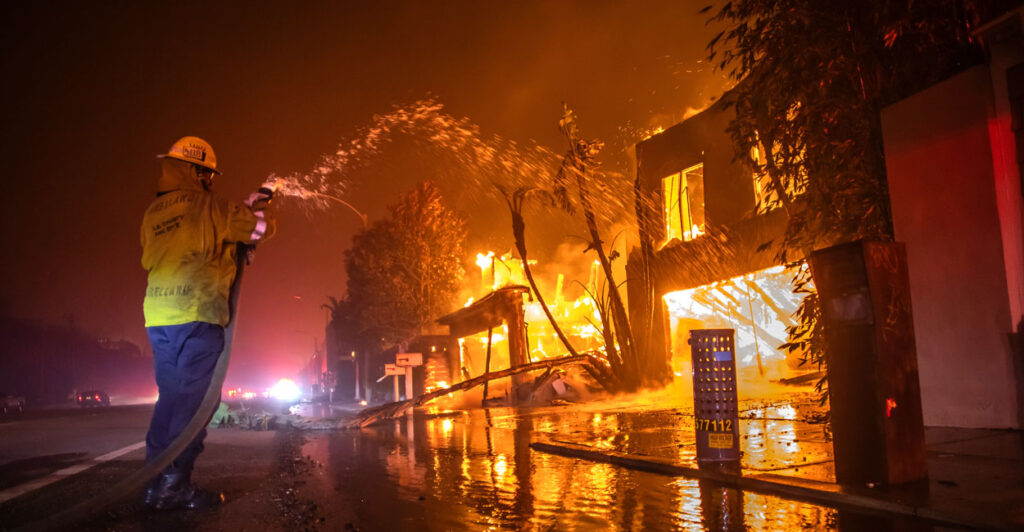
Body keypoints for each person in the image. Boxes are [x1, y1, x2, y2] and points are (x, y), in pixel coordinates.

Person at [140, 136, 275, 510]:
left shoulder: (154, 212)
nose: (211, 181)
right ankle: (173, 488)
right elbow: (259, 230)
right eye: (209, 174)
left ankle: (153, 483)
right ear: (199, 172)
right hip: (198, 315)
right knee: (196, 406)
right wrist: (257, 207)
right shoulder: (212, 206)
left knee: (169, 401)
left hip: (159, 317)